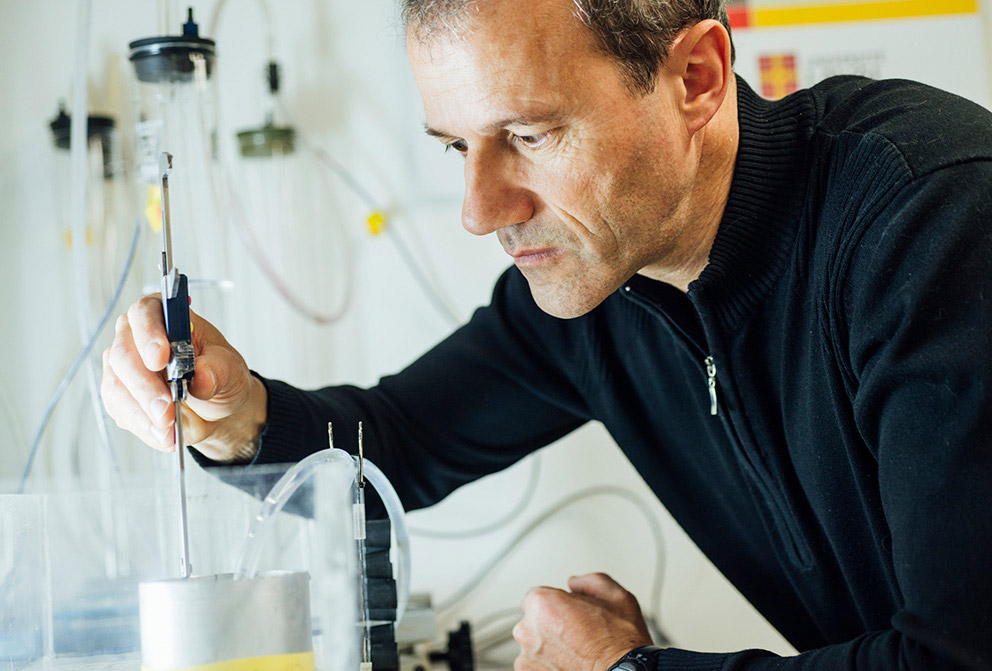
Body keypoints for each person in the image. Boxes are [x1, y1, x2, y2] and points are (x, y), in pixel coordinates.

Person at [102, 0, 992, 668]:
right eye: (457, 146)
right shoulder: (605, 281)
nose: (478, 209)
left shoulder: (932, 220)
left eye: (529, 134)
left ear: (696, 79)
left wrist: (628, 668)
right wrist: (237, 417)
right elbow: (397, 443)